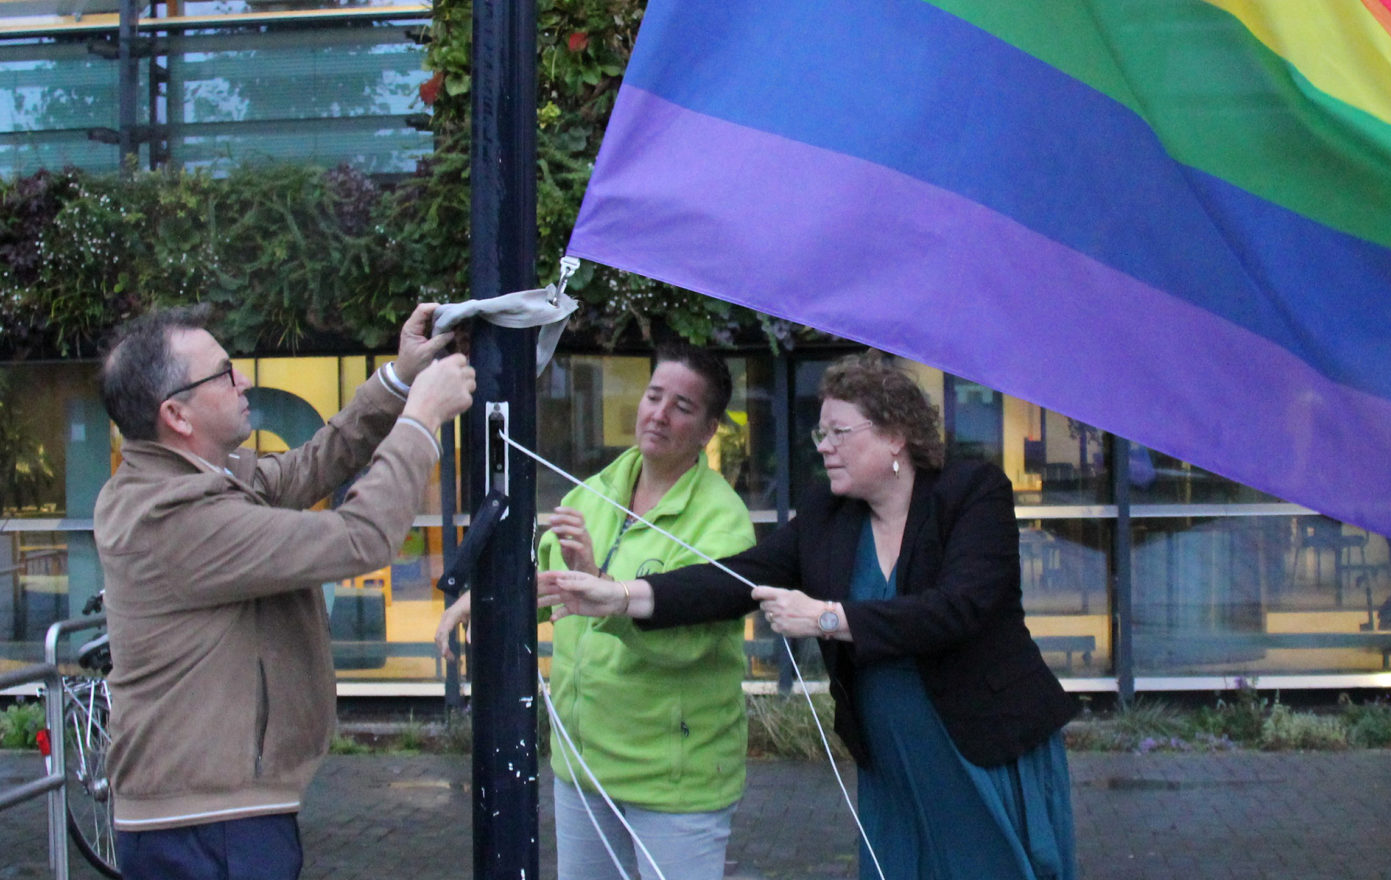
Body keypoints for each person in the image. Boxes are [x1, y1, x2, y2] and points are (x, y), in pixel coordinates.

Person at [542, 353, 1079, 880]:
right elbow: (734, 578)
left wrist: (826, 618)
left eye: (839, 433)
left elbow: (959, 610)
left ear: (895, 435)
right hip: (894, 764)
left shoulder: (970, 493)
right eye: (820, 434)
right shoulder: (829, 513)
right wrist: (621, 597)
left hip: (979, 754)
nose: (824, 448)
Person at [93, 301, 474, 880]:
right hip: (205, 826)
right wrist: (421, 421)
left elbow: (309, 467)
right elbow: (360, 538)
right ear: (177, 414)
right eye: (223, 373)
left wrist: (399, 380)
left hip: (218, 814)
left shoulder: (197, 480)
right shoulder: (171, 517)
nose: (244, 379)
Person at [436, 341, 754, 880]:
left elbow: (689, 643)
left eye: (683, 406)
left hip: (674, 783)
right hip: (582, 770)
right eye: (654, 395)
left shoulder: (723, 525)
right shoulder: (597, 490)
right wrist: (479, 603)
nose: (659, 413)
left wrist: (603, 589)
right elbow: (549, 583)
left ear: (708, 430)